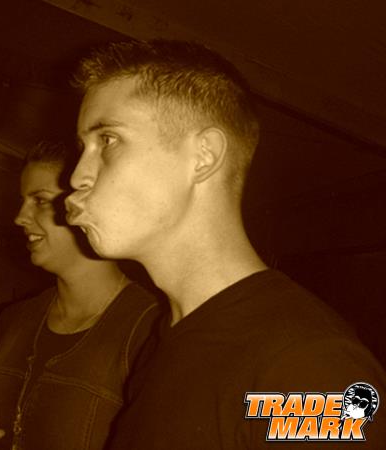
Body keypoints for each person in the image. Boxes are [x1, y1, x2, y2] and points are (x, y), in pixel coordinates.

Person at [64, 40, 386, 448]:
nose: (77, 177)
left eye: (108, 140)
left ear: (204, 156)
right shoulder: (166, 335)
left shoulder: (307, 366)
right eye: (84, 148)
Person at [0, 141, 161, 450]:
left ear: (89, 205)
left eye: (40, 200)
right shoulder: (14, 321)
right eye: (23, 200)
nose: (19, 217)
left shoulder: (151, 326)